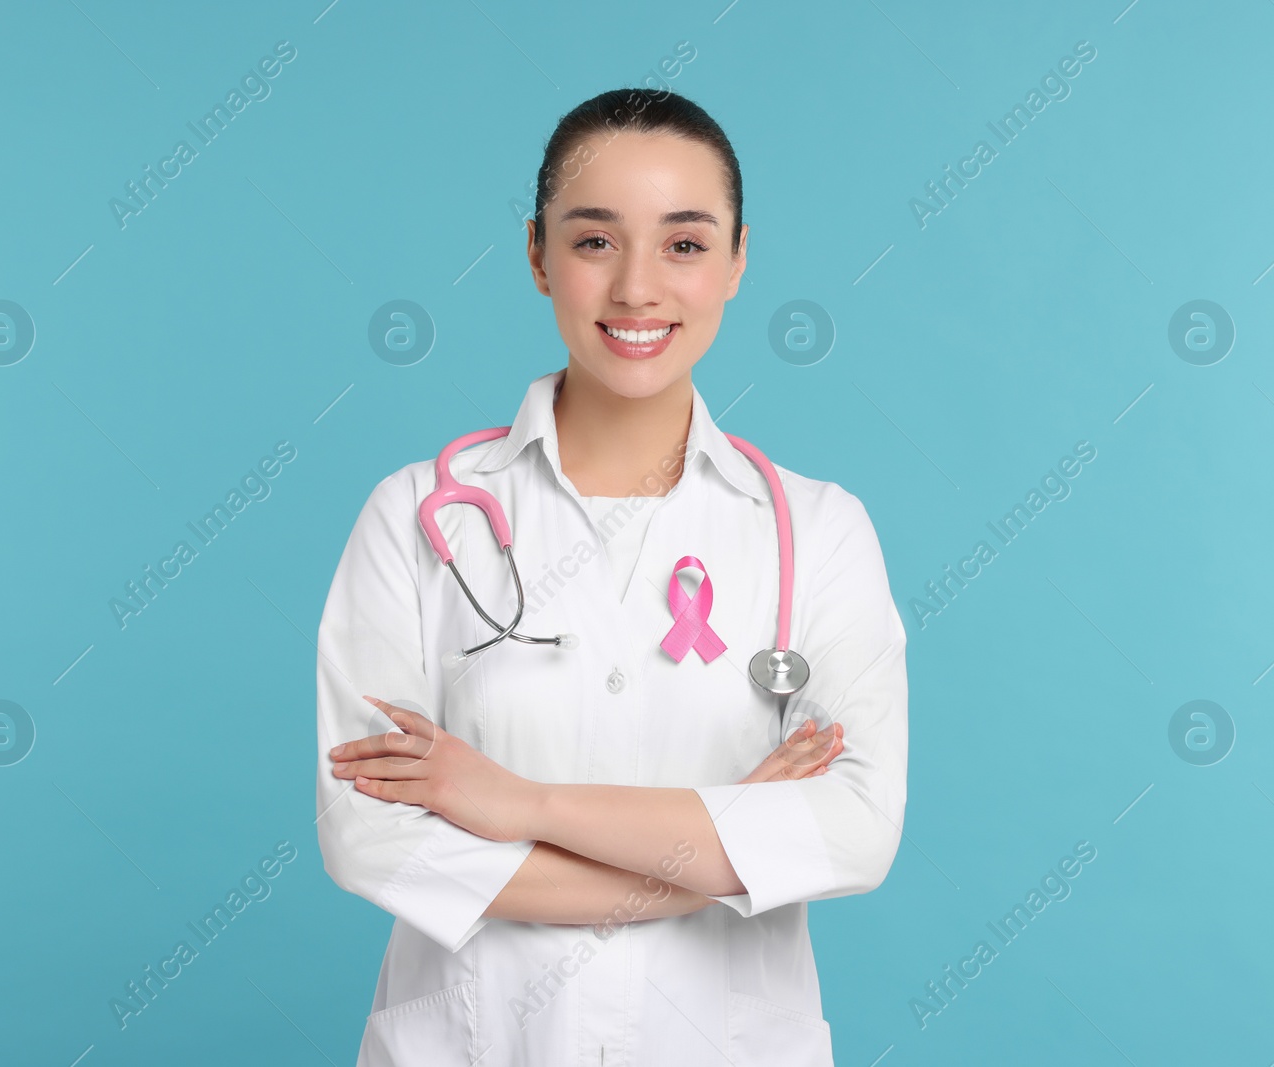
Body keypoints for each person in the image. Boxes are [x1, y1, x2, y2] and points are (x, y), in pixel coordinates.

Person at [315, 87, 907, 1066]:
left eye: (683, 243)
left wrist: (522, 803)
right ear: (538, 255)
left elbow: (850, 829)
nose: (637, 287)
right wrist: (715, 850)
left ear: (737, 259)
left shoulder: (819, 529)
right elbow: (370, 836)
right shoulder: (413, 519)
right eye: (594, 241)